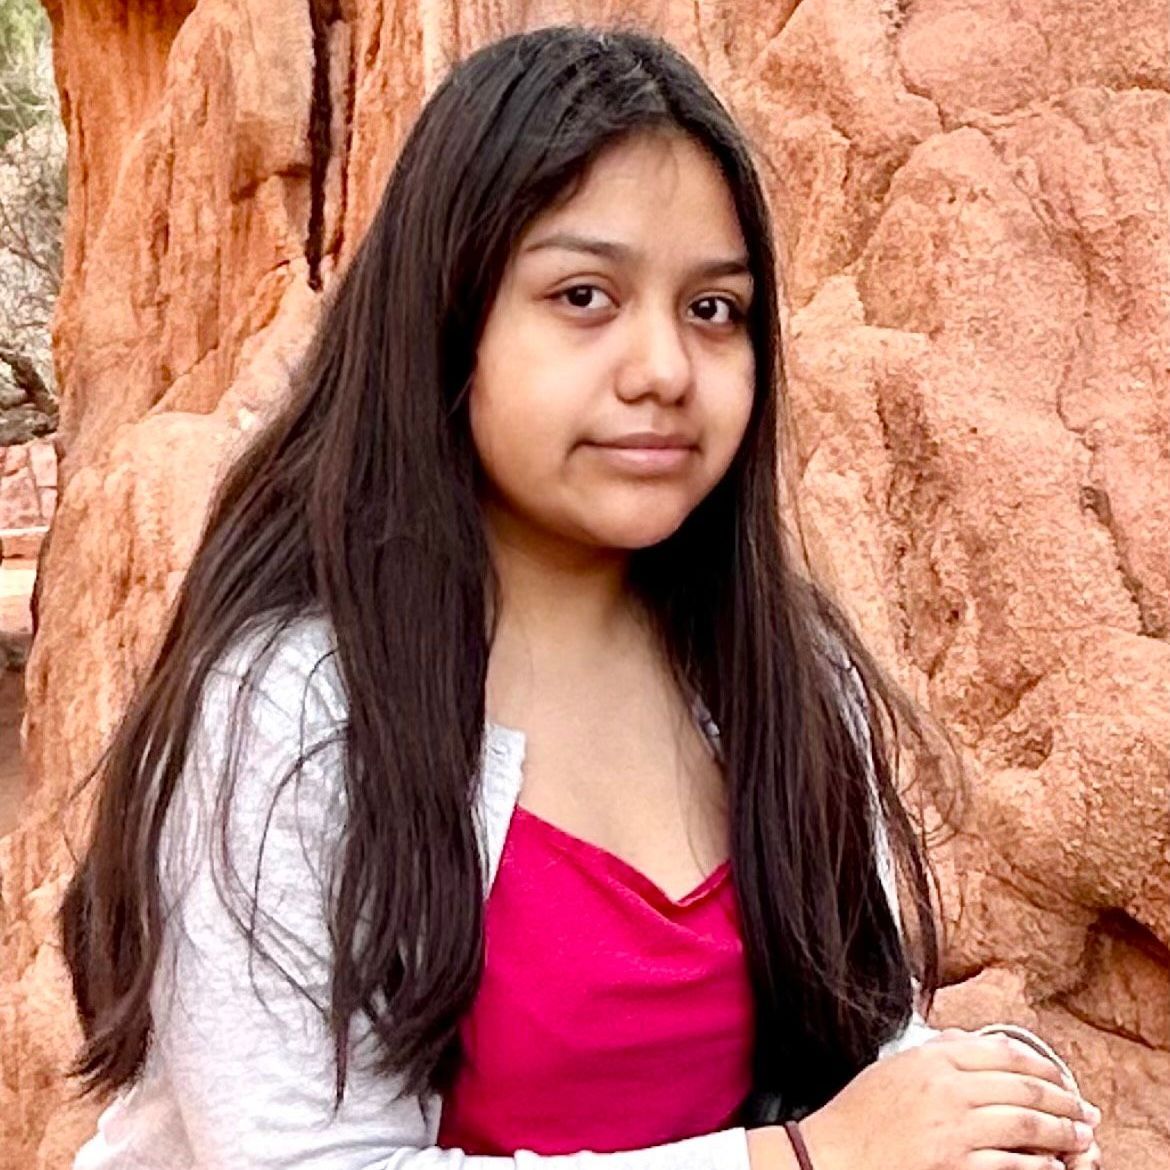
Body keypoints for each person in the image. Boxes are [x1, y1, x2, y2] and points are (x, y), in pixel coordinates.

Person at [60, 25, 1102, 1170]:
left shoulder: (785, 681)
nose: (663, 367)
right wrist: (796, 1162)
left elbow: (858, 1068)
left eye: (714, 309)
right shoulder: (298, 707)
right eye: (585, 295)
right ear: (449, 319)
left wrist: (990, 1113)